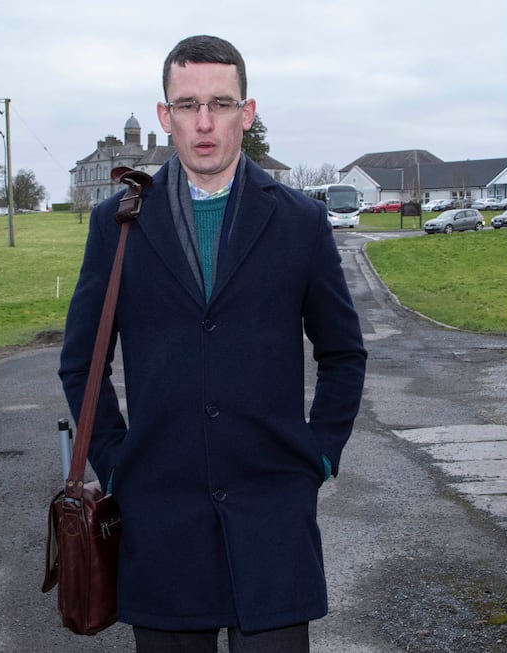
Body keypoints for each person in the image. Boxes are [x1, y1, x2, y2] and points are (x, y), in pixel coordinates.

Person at [59, 35, 367, 653]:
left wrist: (320, 453)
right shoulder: (118, 222)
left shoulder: (300, 221)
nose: (204, 123)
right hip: (161, 518)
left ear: (245, 114)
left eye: (221, 104)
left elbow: (343, 353)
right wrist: (117, 464)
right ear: (163, 116)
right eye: (187, 104)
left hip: (272, 511)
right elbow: (82, 363)